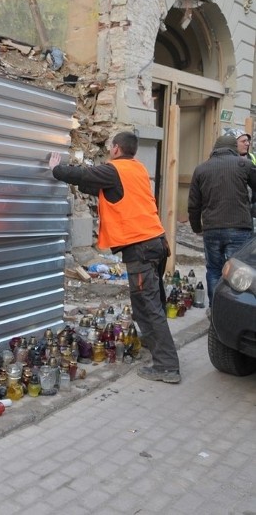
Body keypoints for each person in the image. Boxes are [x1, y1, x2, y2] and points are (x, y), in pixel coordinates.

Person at [48, 131, 180, 383]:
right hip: (157, 244)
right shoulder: (137, 169)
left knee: (146, 307)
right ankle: (155, 346)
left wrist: (57, 169)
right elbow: (93, 185)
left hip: (140, 248)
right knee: (153, 302)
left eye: (110, 147)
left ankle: (167, 365)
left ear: (116, 149)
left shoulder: (114, 170)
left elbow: (85, 175)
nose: (109, 150)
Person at [188, 127, 256, 306]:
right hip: (239, 226)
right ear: (234, 149)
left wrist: (196, 227)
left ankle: (214, 308)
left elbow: (194, 204)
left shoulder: (201, 169)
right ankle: (235, 308)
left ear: (214, 150)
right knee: (238, 271)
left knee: (214, 270)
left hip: (212, 228)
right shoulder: (245, 165)